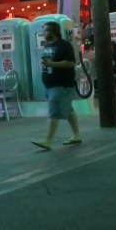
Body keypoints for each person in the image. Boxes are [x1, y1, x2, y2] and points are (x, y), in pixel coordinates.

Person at [31, 21, 82, 149]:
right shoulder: (48, 45)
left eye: (46, 30)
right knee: (68, 110)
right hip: (50, 85)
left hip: (61, 84)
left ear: (54, 31)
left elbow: (70, 63)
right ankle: (76, 135)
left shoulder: (64, 45)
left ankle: (48, 140)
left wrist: (53, 64)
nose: (43, 33)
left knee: (53, 112)